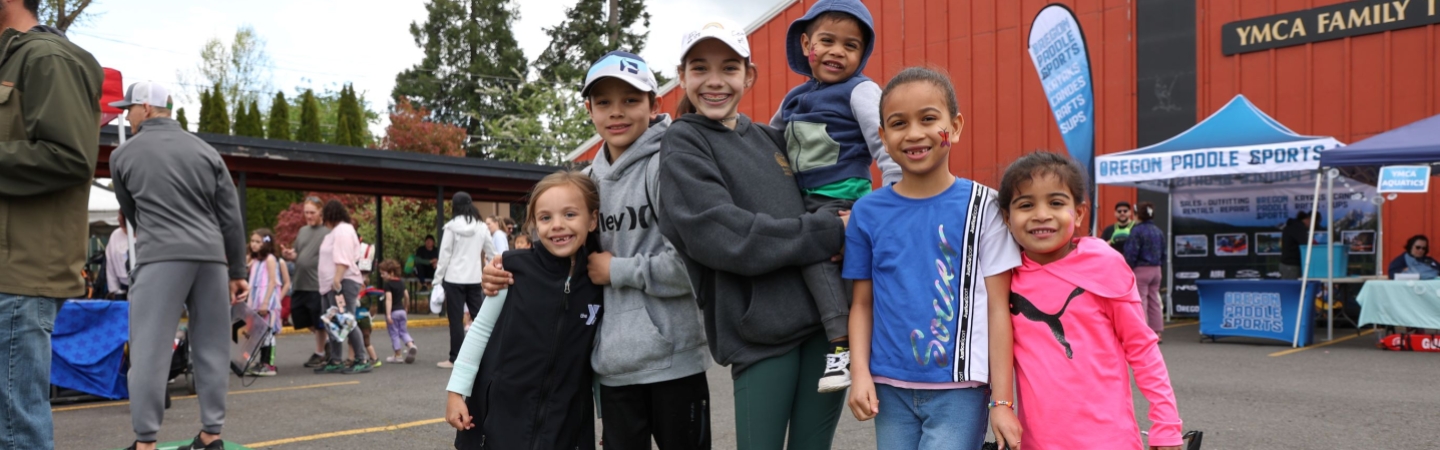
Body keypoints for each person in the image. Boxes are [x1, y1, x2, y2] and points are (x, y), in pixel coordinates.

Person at [481, 51, 711, 449]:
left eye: (631, 100)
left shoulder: (669, 166)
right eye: (603, 102)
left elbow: (697, 266)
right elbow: (551, 260)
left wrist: (618, 270)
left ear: (654, 105)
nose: (616, 113)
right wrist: (502, 270)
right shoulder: (584, 182)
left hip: (674, 362)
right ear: (589, 109)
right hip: (611, 368)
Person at [659, 19, 849, 449]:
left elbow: (828, 188)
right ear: (682, 76)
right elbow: (725, 236)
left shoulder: (771, 138)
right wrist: (827, 231)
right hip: (759, 334)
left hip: (822, 326)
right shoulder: (683, 143)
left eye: (729, 68)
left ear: (749, 75)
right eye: (699, 68)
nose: (714, 81)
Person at [841, 67, 1022, 450]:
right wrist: (859, 374)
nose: (914, 133)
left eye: (928, 119)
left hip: (961, 390)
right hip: (889, 388)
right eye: (898, 123)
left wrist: (1002, 401)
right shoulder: (867, 212)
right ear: (883, 138)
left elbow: (997, 308)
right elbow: (861, 303)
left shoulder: (985, 207)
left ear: (954, 127)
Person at [997, 151, 1183, 450]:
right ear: (1007, 217)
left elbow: (1142, 348)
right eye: (1026, 204)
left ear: (1080, 213)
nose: (1041, 214)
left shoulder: (1105, 264)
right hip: (1036, 443)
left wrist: (1166, 424)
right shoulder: (1003, 277)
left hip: (1109, 440)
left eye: (1056, 203)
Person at [770, 0, 899, 393]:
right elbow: (767, 145)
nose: (837, 52)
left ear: (862, 55)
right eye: (827, 41)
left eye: (851, 45)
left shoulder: (860, 91)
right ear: (807, 43)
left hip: (844, 202)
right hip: (801, 203)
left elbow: (886, 146)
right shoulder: (792, 100)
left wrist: (886, 208)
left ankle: (842, 347)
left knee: (818, 262)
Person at [111, 81, 247, 450]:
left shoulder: (123, 155)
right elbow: (230, 216)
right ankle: (211, 435)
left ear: (147, 109)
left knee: (150, 351)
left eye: (130, 108)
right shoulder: (206, 151)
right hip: (211, 258)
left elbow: (132, 214)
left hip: (161, 256)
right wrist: (237, 271)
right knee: (213, 346)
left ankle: (145, 442)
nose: (126, 114)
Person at [0, 4, 103, 448]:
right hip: (10, 271)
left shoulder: (46, 57)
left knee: (16, 430)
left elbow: (71, 156)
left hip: (20, 273)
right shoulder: (15, 58)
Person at [445, 171, 605, 449]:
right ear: (533, 223)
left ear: (592, 219)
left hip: (565, 421)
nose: (557, 225)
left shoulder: (598, 281)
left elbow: (598, 356)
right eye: (546, 217)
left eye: (570, 215)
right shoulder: (512, 269)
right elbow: (480, 329)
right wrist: (457, 391)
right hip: (501, 416)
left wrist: (607, 416)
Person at [313, 200, 372, 374]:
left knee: (346, 320)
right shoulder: (333, 233)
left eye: (325, 216)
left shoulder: (343, 231)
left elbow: (343, 258)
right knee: (333, 322)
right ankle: (336, 359)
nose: (323, 220)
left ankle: (361, 358)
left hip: (342, 282)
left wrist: (337, 280)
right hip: (329, 284)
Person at [434, 192, 490, 369]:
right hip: (475, 278)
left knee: (456, 320)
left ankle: (455, 358)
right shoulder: (481, 227)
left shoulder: (451, 227)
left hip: (454, 279)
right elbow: (493, 252)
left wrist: (437, 280)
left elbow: (444, 256)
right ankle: (491, 354)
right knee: (481, 319)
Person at [282, 196, 331, 368]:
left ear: (320, 213)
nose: (308, 216)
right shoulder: (302, 231)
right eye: (306, 212)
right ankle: (327, 343)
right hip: (300, 283)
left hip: (317, 284)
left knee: (318, 321)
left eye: (312, 212)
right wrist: (290, 255)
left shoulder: (327, 233)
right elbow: (298, 254)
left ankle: (320, 353)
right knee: (299, 317)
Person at [246, 229, 287, 377]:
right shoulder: (255, 260)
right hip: (256, 299)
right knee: (260, 332)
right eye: (253, 241)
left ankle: (268, 364)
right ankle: (262, 362)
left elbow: (272, 282)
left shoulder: (270, 259)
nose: (254, 245)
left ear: (266, 243)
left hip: (266, 301)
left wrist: (265, 303)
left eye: (258, 242)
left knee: (268, 332)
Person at [1124, 201, 1166, 338]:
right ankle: (1157, 331)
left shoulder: (1136, 231)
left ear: (1138, 215)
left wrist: (1127, 268)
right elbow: (1164, 253)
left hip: (1141, 270)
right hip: (1157, 270)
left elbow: (1131, 253)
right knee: (1154, 299)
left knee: (1141, 300)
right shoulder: (1158, 231)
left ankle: (1143, 332)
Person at [379, 259, 419, 363]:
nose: (381, 276)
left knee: (394, 333)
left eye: (383, 273)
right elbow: (406, 296)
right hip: (402, 311)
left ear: (391, 272)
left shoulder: (388, 285)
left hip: (393, 312)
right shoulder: (401, 282)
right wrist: (406, 307)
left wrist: (388, 315)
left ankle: (398, 355)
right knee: (403, 332)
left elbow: (389, 299)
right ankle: (411, 345)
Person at [1279, 211, 1320, 280]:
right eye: (1313, 223)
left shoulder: (1293, 226)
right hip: (1291, 265)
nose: (1312, 226)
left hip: (1288, 264)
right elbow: (1306, 243)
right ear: (1308, 219)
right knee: (1291, 288)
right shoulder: (1298, 228)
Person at [106, 213, 131, 300]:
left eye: (121, 215)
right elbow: (110, 263)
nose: (118, 218)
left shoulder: (143, 233)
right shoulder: (115, 235)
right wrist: (114, 289)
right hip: (123, 286)